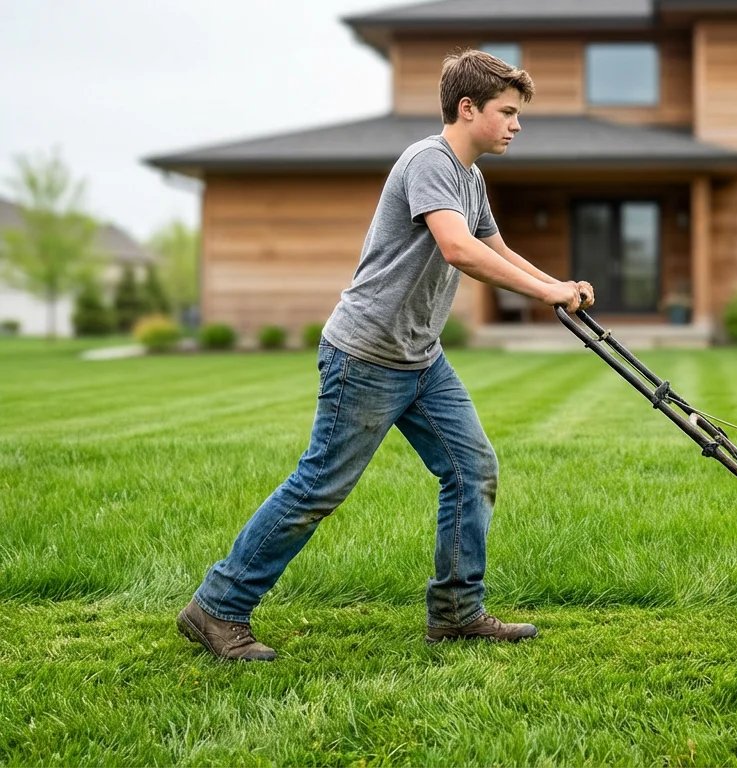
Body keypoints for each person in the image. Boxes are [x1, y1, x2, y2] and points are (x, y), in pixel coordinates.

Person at [176, 49, 593, 661]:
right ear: (468, 107)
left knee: (471, 469)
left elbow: (496, 250)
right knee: (319, 485)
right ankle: (216, 607)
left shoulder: (469, 177)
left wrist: (559, 286)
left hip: (421, 358)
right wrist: (549, 291)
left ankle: (456, 612)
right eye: (506, 112)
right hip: (366, 355)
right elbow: (458, 250)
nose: (516, 124)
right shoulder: (430, 161)